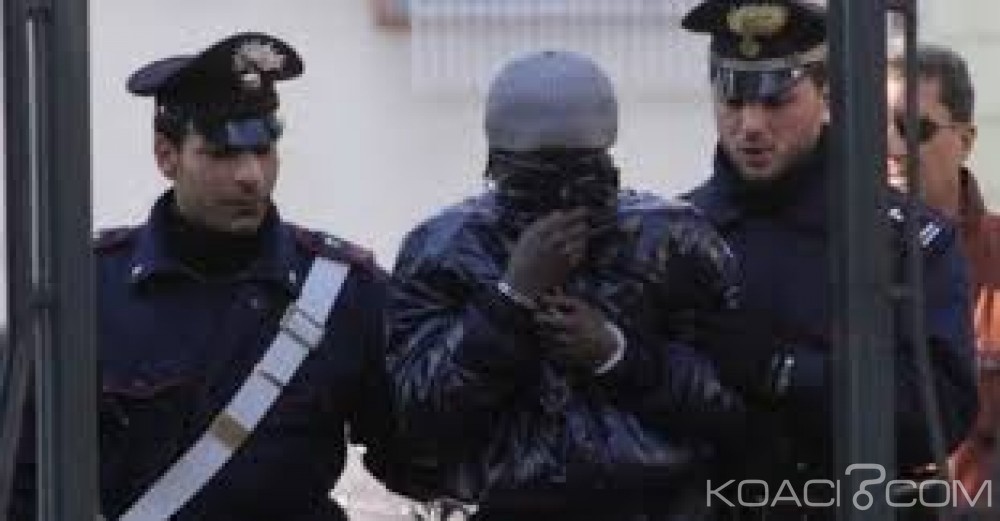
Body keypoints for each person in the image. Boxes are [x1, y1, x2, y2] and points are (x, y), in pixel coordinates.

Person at [9, 32, 408, 521]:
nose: (251, 176)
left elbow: (419, 462)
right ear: (166, 155)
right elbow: (21, 483)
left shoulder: (346, 292)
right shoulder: (88, 289)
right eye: (222, 153)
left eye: (264, 149)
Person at [387, 49, 749, 521]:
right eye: (536, 172)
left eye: (578, 169)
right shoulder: (444, 250)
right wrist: (508, 303)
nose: (559, 194)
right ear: (497, 163)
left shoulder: (672, 241)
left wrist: (617, 353)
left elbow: (732, 404)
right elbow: (416, 419)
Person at [678, 1, 978, 518]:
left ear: (825, 96)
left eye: (776, 101)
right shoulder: (677, 236)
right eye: (733, 99)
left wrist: (784, 371)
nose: (751, 124)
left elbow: (941, 414)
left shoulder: (903, 240)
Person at [887, 43, 1000, 515]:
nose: (892, 148)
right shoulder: (830, 262)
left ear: (966, 139)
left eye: (914, 129)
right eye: (874, 129)